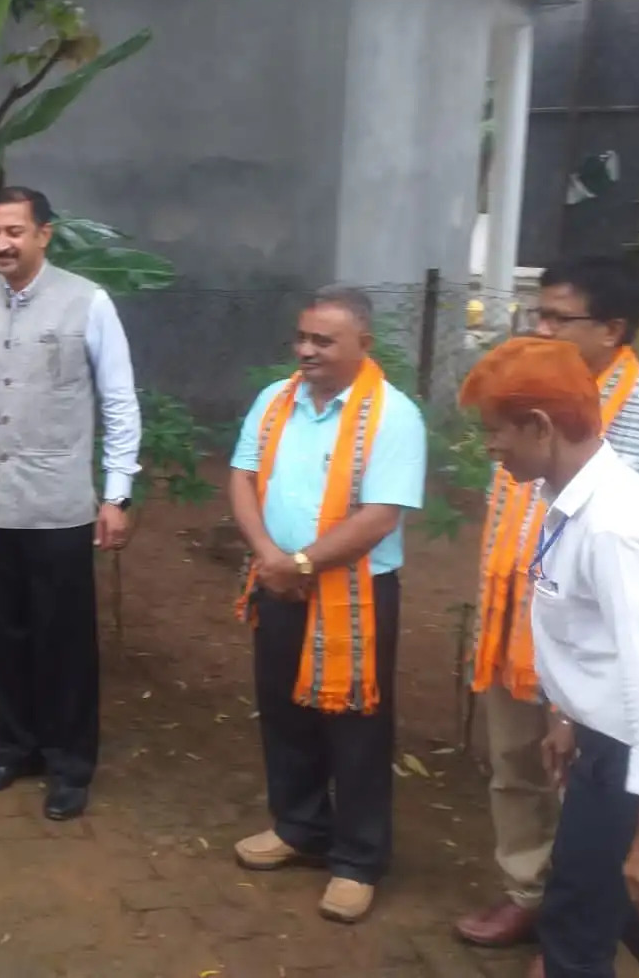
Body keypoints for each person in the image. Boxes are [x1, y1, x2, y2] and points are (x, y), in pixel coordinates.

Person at [457, 256, 639, 950]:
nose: (490, 450)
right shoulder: (564, 495)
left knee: (584, 928)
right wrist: (569, 713)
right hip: (598, 740)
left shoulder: (613, 526)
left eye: (497, 433)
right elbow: (590, 637)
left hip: (630, 760)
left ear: (542, 428)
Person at [0, 187, 140, 821]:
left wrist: (117, 492)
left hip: (60, 502)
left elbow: (120, 402)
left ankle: (70, 764)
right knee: (3, 632)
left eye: (14, 231)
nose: (2, 244)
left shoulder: (88, 302)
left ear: (45, 234)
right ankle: (14, 747)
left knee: (62, 638)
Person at [227, 285, 426, 924]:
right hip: (277, 580)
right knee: (284, 710)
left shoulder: (393, 414)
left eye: (323, 341)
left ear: (363, 345)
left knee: (356, 725)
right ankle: (299, 827)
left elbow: (381, 514)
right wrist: (268, 556)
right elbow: (242, 477)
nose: (306, 350)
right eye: (302, 337)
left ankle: (357, 860)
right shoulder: (274, 401)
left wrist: (304, 562)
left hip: (356, 592)